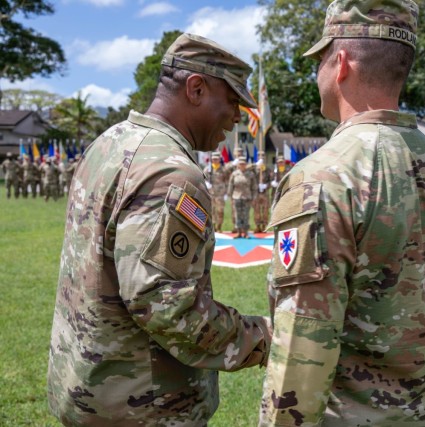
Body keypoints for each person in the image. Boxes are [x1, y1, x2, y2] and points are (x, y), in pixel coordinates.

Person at [259, 1, 425, 425]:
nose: (316, 71)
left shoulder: (322, 178)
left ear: (340, 65)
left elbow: (303, 348)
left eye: (320, 59)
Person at [47, 33, 270, 426]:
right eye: (233, 101)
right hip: (143, 406)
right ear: (196, 88)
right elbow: (166, 306)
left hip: (89, 388)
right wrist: (260, 337)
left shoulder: (109, 143)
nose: (237, 117)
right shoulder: (170, 173)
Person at [227, 156, 256, 238]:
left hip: (247, 197)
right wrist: (230, 197)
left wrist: (253, 198)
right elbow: (231, 185)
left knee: (246, 215)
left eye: (243, 163)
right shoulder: (234, 174)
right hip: (236, 197)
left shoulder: (250, 174)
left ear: (246, 164)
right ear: (238, 165)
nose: (242, 165)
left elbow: (254, 187)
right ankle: (239, 232)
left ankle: (246, 233)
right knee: (237, 215)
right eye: (240, 164)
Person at [252, 150, 272, 233]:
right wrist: (256, 165)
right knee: (256, 210)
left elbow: (272, 181)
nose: (261, 158)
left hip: (265, 193)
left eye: (263, 156)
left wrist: (266, 185)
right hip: (256, 193)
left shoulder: (268, 169)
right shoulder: (254, 168)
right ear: (257, 158)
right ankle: (257, 226)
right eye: (259, 156)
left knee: (265, 210)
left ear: (265, 158)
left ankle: (264, 226)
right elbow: (250, 177)